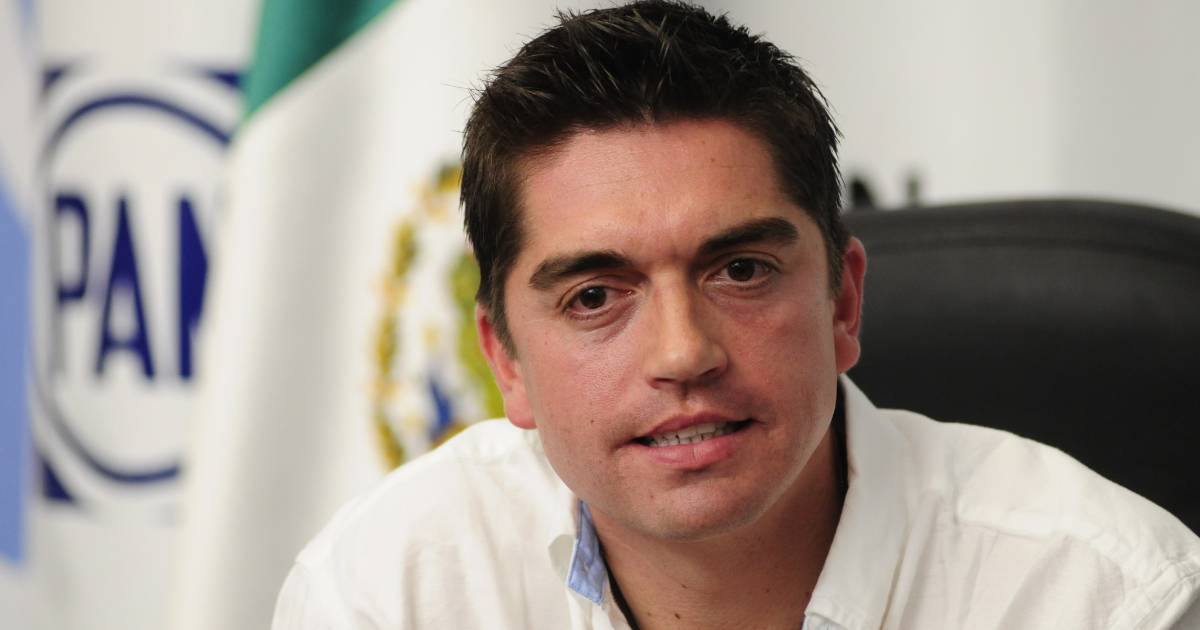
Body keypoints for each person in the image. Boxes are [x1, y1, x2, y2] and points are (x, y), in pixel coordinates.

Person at [272, 2, 1200, 628]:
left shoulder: (1104, 598)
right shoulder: (391, 590)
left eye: (741, 270)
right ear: (505, 359)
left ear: (842, 301)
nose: (683, 353)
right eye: (595, 296)